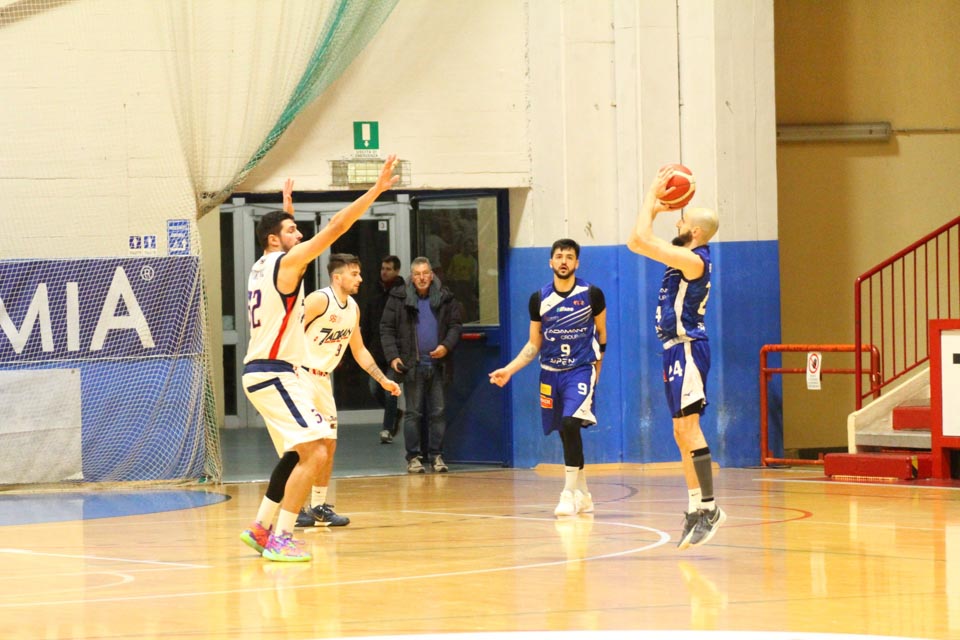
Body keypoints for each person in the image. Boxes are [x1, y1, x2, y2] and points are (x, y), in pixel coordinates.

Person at [239, 155, 399, 562]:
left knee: (299, 453)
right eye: (292, 230)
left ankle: (260, 527)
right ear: (274, 239)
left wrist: (286, 210)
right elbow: (337, 226)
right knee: (317, 452)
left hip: (267, 373)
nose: (300, 234)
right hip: (277, 373)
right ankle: (281, 537)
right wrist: (376, 190)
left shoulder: (261, 266)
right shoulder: (286, 263)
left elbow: (281, 240)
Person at [626, 164, 725, 550]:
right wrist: (653, 210)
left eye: (682, 220)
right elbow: (638, 239)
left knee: (690, 429)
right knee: (679, 432)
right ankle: (695, 507)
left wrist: (652, 195)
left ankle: (711, 509)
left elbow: (639, 240)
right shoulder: (682, 255)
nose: (677, 223)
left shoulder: (694, 260)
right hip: (672, 350)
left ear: (695, 232)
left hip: (688, 347)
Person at [488, 239, 607, 517]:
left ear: (577, 263)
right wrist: (509, 369)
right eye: (559, 256)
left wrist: (596, 374)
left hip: (580, 370)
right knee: (566, 432)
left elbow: (602, 335)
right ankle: (584, 495)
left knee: (570, 422)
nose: (564, 261)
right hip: (550, 373)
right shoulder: (539, 299)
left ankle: (567, 494)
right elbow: (533, 344)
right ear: (550, 262)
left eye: (569, 256)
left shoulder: (592, 294)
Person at [296, 253, 402, 528]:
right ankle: (293, 507)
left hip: (323, 380)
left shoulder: (352, 308)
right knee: (308, 446)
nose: (360, 279)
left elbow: (359, 349)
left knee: (329, 444)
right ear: (337, 277)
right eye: (354, 274)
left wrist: (382, 379)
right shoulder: (319, 300)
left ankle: (318, 507)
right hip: (301, 376)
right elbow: (289, 331)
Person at [380, 257, 462, 473]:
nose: (422, 278)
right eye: (417, 274)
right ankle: (413, 458)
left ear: (432, 275)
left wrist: (446, 346)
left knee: (438, 412)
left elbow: (455, 326)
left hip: (438, 365)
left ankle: (436, 456)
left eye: (425, 273)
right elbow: (386, 329)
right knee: (413, 413)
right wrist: (393, 357)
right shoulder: (398, 298)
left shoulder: (445, 297)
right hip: (412, 366)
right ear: (411, 276)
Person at [360, 255, 405, 444]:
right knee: (374, 388)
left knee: (389, 390)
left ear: (396, 271)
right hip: (376, 350)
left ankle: (387, 429)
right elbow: (368, 321)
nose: (384, 272)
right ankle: (395, 413)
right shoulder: (375, 291)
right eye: (382, 268)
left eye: (388, 269)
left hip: (395, 352)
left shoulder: (402, 294)